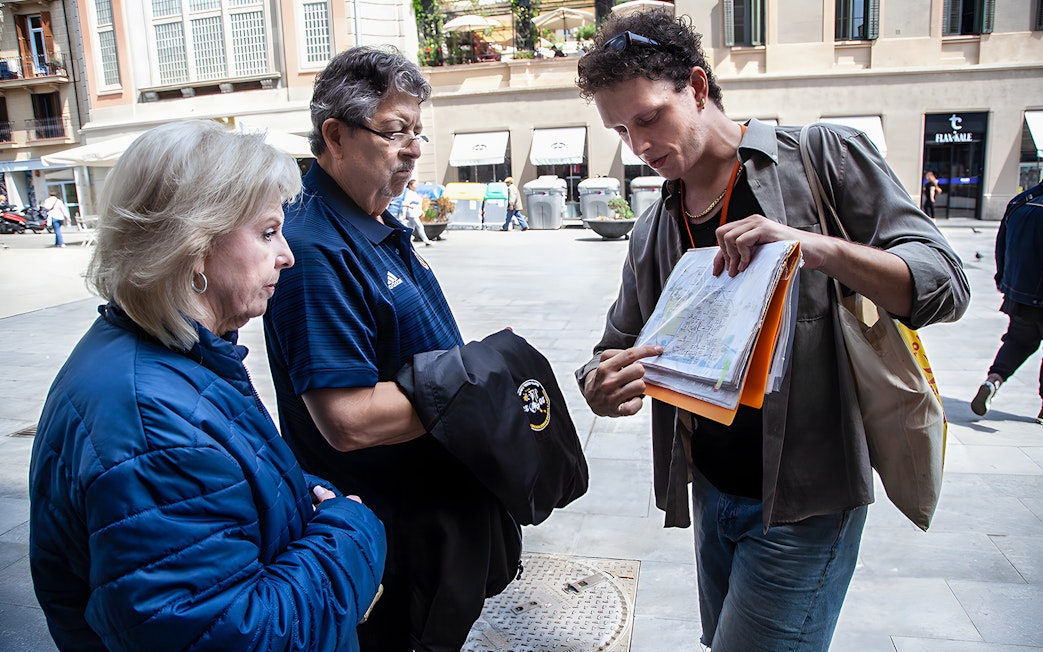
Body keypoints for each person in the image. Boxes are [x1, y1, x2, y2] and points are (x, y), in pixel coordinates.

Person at [573, 11, 970, 651]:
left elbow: (944, 281)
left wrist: (813, 247)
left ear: (697, 88)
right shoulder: (655, 228)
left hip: (808, 498)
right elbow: (612, 345)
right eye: (620, 129)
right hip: (712, 495)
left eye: (648, 118)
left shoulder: (819, 159)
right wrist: (601, 381)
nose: (638, 146)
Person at [28, 121, 386, 651]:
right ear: (194, 245)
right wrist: (350, 529)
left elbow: (222, 493)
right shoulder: (152, 425)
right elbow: (239, 635)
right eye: (267, 233)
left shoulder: (169, 355)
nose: (287, 254)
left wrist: (304, 504)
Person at [263, 46, 521, 652]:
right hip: (391, 534)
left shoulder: (372, 222)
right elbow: (347, 421)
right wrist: (481, 388)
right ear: (336, 135)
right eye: (395, 131)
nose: (413, 148)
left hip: (429, 516)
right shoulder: (316, 250)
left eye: (418, 132)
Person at [971, 180, 1043, 424]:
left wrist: (1004, 281)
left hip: (1019, 293)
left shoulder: (1021, 201)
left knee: (1017, 341)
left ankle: (993, 381)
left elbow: (1001, 246)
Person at [403, 178, 432, 245]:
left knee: (411, 228)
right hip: (412, 213)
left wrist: (421, 211)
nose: (416, 186)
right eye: (415, 185)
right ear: (410, 185)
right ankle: (426, 240)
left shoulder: (414, 193)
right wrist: (404, 212)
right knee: (420, 226)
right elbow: (406, 202)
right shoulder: (409, 193)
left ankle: (408, 240)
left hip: (415, 213)